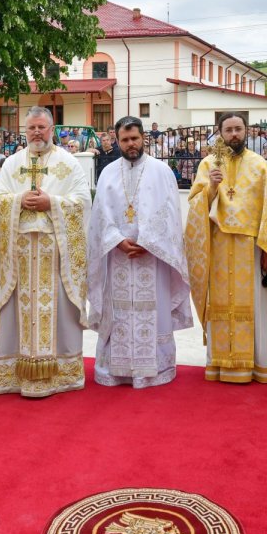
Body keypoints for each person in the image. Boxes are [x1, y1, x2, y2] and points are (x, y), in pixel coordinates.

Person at [0, 106, 90, 398]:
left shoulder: (68, 163)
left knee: (58, 309)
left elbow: (83, 201)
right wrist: (20, 199)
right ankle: (15, 377)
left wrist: (52, 203)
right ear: (25, 130)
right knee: (16, 312)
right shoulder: (12, 163)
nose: (36, 133)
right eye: (31, 128)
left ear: (52, 129)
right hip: (20, 253)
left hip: (55, 253)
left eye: (42, 128)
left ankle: (62, 375)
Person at [87, 116, 192, 388]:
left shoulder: (161, 171)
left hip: (152, 257)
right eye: (125, 139)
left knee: (152, 311)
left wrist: (148, 241)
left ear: (143, 137)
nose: (130, 144)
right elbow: (100, 215)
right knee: (118, 311)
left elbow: (169, 212)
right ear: (117, 140)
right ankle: (117, 369)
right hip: (117, 254)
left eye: (134, 138)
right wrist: (117, 239)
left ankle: (153, 368)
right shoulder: (108, 172)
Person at [184, 111, 267, 384]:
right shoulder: (208, 164)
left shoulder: (259, 164)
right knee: (220, 305)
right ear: (220, 132)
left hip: (250, 248)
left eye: (238, 129)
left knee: (254, 307)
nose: (234, 134)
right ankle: (220, 366)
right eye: (228, 130)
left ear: (246, 130)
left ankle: (258, 366)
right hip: (217, 246)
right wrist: (212, 188)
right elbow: (194, 207)